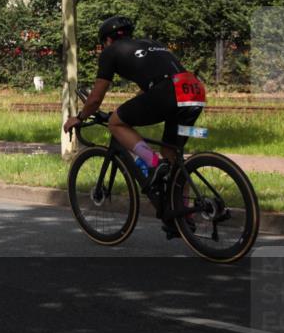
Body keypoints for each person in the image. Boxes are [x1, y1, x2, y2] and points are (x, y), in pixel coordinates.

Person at [63, 16, 206, 238]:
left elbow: (95, 98)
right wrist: (126, 107)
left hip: (169, 92)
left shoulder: (111, 52)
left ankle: (152, 162)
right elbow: (153, 87)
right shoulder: (149, 44)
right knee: (173, 155)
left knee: (116, 122)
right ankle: (182, 214)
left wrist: (79, 117)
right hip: (193, 91)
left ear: (107, 40)